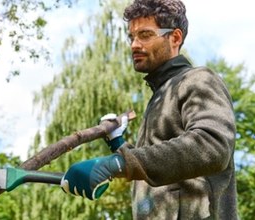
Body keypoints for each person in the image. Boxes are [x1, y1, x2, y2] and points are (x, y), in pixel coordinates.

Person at [60, 0, 238, 219]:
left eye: (144, 35)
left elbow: (213, 145)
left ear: (175, 37)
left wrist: (118, 163)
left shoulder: (198, 79)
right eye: (131, 37)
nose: (134, 44)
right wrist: (119, 145)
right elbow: (158, 168)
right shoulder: (160, 96)